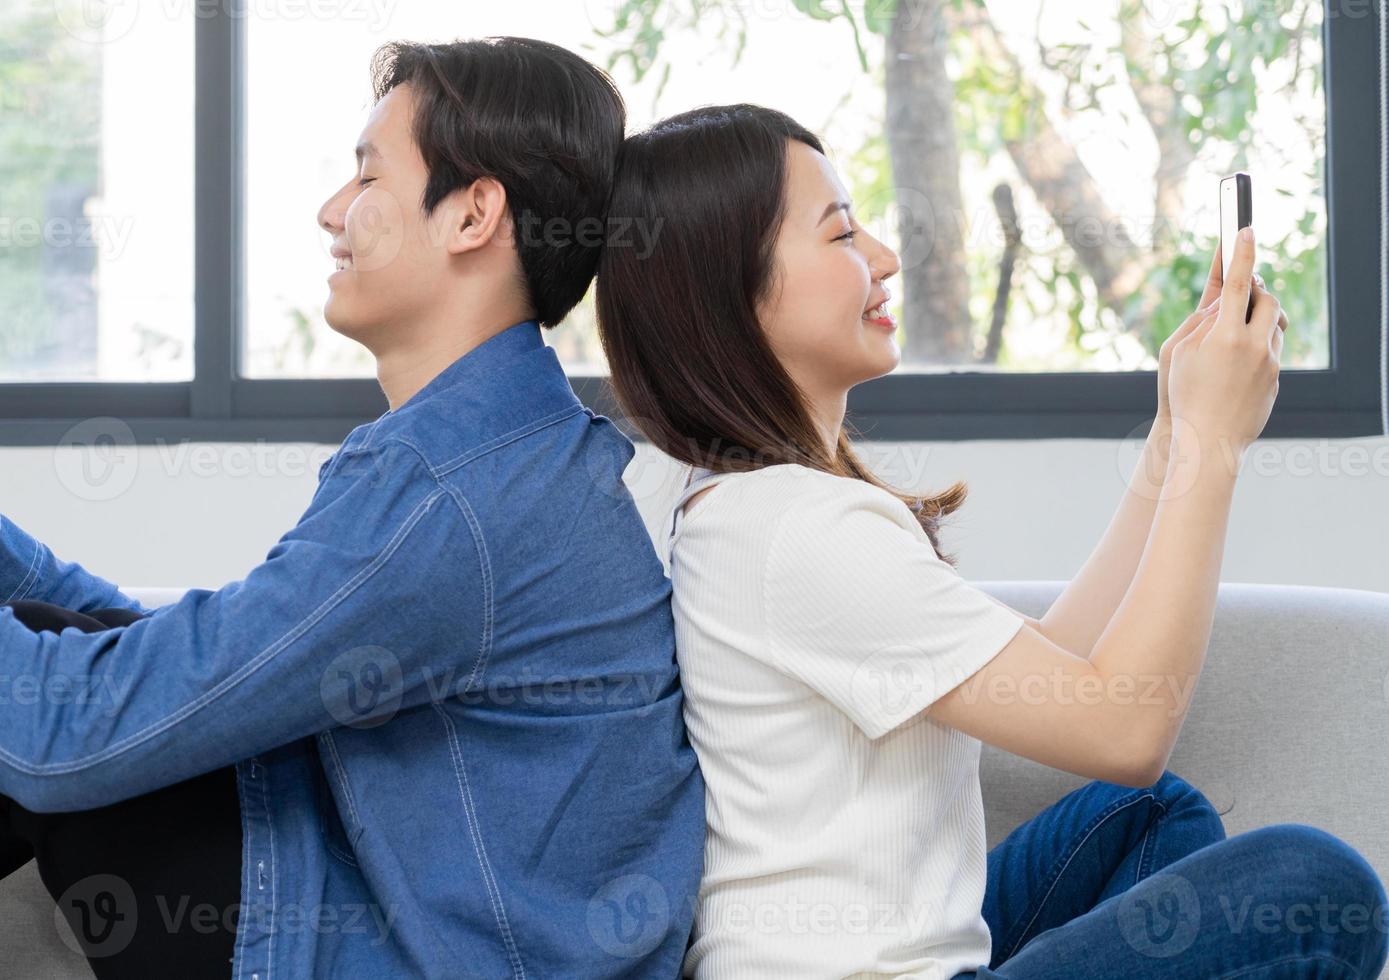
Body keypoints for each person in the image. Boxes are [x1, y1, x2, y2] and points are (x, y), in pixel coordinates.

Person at [0, 38, 704, 980]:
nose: (329, 210)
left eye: (367, 175)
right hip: (410, 924)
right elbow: (201, 681)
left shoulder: (452, 495)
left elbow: (60, 738)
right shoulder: (500, 455)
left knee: (18, 714)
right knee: (44, 661)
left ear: (473, 214)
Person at [594, 102, 1388, 979]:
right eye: (842, 235)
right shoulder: (796, 532)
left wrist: (1173, 434)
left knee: (1147, 815)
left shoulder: (757, 508)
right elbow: (1122, 726)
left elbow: (1060, 663)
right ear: (730, 287)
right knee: (1316, 883)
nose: (885, 260)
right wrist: (1216, 447)